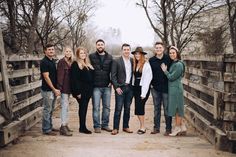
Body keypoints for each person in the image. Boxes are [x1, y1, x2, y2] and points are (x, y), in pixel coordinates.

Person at [161, 46, 187, 136]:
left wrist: (165, 71)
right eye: (170, 53)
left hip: (176, 88)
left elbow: (171, 77)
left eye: (173, 53)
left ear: (177, 53)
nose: (171, 54)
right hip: (173, 88)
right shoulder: (175, 63)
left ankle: (177, 128)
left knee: (177, 109)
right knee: (176, 108)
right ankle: (182, 126)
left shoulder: (179, 64)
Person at [89, 39, 113, 133]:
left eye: (101, 44)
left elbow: (113, 71)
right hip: (96, 87)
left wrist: (111, 81)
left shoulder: (110, 57)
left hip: (107, 86)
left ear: (104, 46)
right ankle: (97, 126)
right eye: (98, 45)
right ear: (96, 46)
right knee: (96, 107)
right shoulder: (91, 56)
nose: (100, 46)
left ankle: (105, 125)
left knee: (106, 107)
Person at [149, 42, 172, 136]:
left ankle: (168, 128)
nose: (158, 49)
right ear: (155, 49)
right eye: (157, 48)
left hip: (166, 88)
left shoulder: (168, 59)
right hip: (155, 88)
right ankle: (156, 128)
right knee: (156, 109)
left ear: (163, 49)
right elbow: (148, 73)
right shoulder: (151, 60)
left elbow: (173, 72)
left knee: (167, 109)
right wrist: (150, 84)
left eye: (160, 48)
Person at [111, 43, 133, 135]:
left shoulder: (133, 60)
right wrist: (116, 87)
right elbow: (113, 76)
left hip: (130, 88)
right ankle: (115, 128)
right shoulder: (116, 61)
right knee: (118, 108)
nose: (126, 51)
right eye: (125, 49)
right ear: (122, 51)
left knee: (127, 108)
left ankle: (125, 126)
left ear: (130, 50)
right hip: (120, 88)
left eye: (128, 49)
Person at [71, 47, 94, 134]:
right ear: (77, 54)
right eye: (81, 53)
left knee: (84, 108)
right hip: (81, 91)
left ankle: (82, 126)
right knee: (82, 108)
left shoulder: (87, 63)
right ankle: (82, 127)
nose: (83, 54)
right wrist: (77, 92)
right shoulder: (75, 64)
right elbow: (74, 79)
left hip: (88, 90)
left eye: (84, 53)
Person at [40, 43, 61, 136]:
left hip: (53, 90)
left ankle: (49, 126)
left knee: (51, 109)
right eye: (49, 50)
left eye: (52, 49)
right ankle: (46, 129)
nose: (51, 51)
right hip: (47, 90)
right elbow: (46, 77)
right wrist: (54, 89)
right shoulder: (44, 62)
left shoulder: (52, 61)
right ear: (45, 51)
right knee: (47, 109)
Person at [132, 47, 153, 134]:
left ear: (142, 55)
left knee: (140, 108)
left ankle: (143, 127)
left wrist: (143, 93)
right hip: (136, 88)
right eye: (136, 54)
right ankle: (142, 126)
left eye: (139, 54)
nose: (137, 55)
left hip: (143, 89)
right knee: (137, 108)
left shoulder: (146, 65)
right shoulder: (135, 64)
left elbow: (147, 80)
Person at [57, 47, 73, 136]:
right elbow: (60, 75)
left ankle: (65, 124)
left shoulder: (70, 62)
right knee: (64, 106)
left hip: (69, 88)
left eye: (70, 51)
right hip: (63, 88)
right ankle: (63, 126)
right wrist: (59, 88)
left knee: (66, 107)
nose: (68, 52)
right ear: (64, 52)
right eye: (66, 51)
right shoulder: (61, 62)